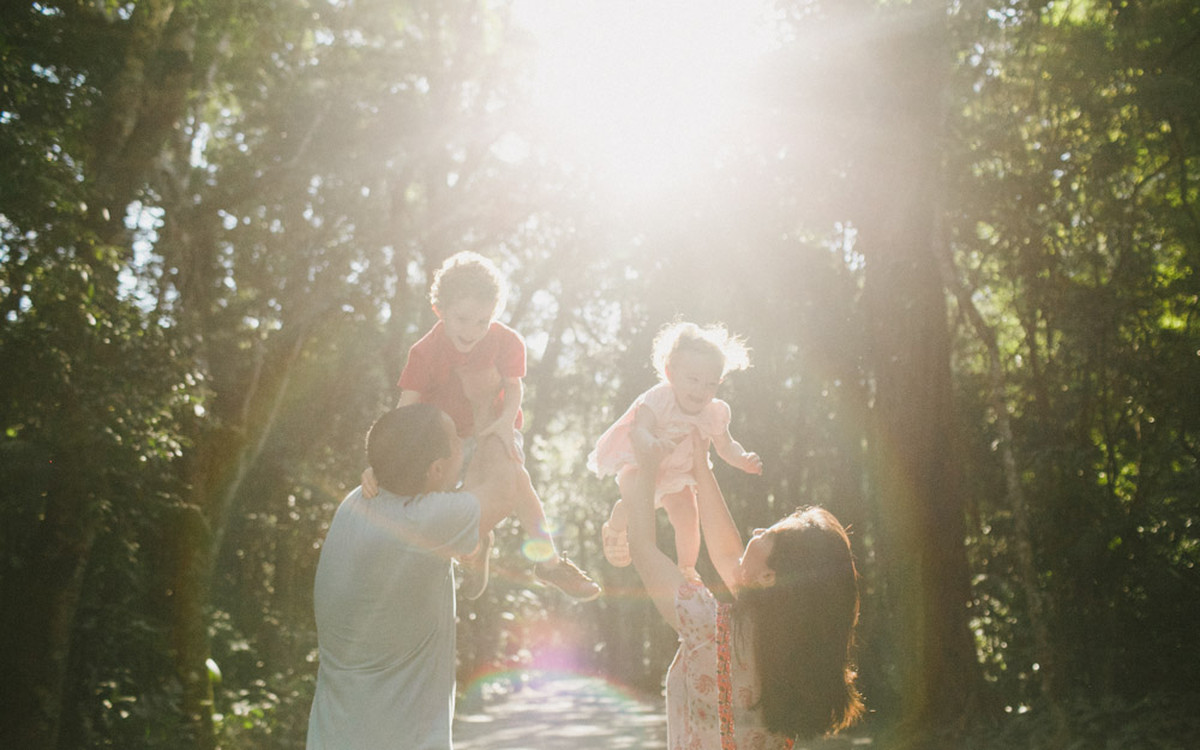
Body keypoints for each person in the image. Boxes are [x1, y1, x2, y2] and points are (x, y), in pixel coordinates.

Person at [373, 250, 600, 601]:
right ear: (441, 310)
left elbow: (514, 388)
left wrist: (506, 423)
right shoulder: (424, 352)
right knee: (447, 493)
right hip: (445, 436)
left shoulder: (506, 340)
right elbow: (404, 412)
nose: (472, 331)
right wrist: (379, 465)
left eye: (483, 321)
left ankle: (549, 562)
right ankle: (474, 545)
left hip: (495, 423)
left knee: (515, 475)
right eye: (462, 318)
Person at [627, 433, 865, 749]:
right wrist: (700, 464)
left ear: (768, 576)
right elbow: (727, 554)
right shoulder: (789, 649)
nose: (757, 530)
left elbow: (642, 549)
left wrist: (645, 467)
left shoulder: (707, 627)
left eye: (769, 533)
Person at [306, 404, 520, 750]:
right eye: (456, 439)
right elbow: (502, 492)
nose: (463, 441)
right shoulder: (419, 522)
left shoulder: (356, 502)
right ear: (435, 469)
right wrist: (498, 413)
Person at [589, 320, 762, 573]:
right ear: (671, 374)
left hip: (679, 473)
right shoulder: (660, 398)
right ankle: (615, 527)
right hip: (643, 464)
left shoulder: (714, 412)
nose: (701, 390)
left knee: (688, 514)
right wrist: (652, 444)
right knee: (636, 503)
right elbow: (640, 428)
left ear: (719, 382)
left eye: (710, 384)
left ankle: (687, 569)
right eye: (693, 379)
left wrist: (742, 458)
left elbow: (726, 446)